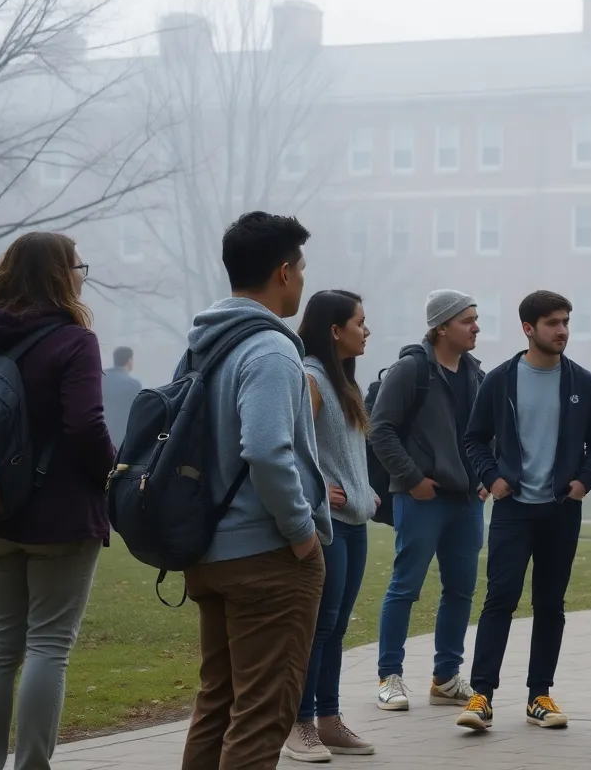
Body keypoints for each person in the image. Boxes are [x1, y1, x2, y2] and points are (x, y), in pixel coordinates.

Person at [180, 211, 330, 770]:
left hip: (210, 549)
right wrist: (300, 534)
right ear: (284, 271)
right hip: (265, 557)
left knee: (217, 705)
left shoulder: (205, 340)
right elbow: (267, 450)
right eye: (302, 267)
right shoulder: (270, 348)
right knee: (263, 715)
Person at [0, 232, 115, 770]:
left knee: (0, 642)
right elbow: (86, 424)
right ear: (59, 273)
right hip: (62, 514)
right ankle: (31, 764)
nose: (82, 275)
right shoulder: (75, 341)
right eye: (80, 266)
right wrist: (112, 475)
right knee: (49, 644)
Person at [455, 290, 591, 731]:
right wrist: (491, 476)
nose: (562, 331)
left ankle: (539, 696)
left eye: (565, 322)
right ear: (528, 328)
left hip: (562, 509)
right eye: (552, 323)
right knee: (499, 599)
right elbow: (474, 438)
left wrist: (584, 481)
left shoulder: (584, 383)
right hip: (513, 509)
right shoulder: (500, 380)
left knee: (550, 604)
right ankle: (481, 696)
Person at [369, 290, 485, 711]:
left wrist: (486, 478)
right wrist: (412, 478)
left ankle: (446, 677)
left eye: (476, 318)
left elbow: (482, 435)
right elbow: (380, 429)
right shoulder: (410, 370)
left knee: (461, 589)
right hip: (422, 497)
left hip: (467, 500)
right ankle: (389, 676)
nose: (476, 326)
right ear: (441, 327)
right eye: (467, 320)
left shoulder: (476, 373)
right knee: (405, 587)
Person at [283, 290, 380, 761]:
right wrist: (318, 486)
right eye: (360, 322)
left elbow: (345, 451)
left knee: (337, 627)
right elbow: (289, 445)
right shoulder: (313, 379)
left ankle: (329, 719)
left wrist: (364, 489)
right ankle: (298, 725)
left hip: (356, 522)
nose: (367, 330)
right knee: (319, 628)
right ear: (334, 329)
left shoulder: (345, 381)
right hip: (328, 526)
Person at [102, 345, 141, 447]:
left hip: (100, 433)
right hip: (121, 438)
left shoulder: (100, 379)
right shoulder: (133, 384)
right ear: (129, 360)